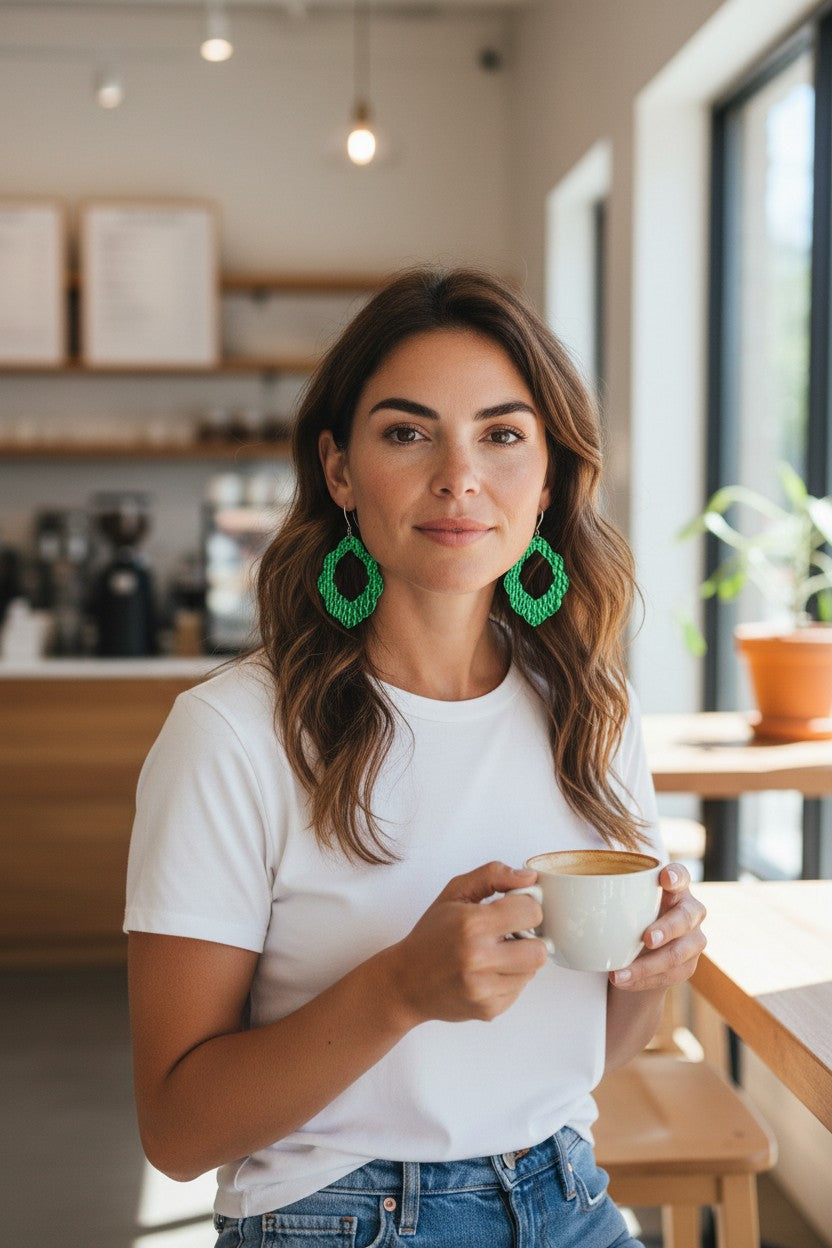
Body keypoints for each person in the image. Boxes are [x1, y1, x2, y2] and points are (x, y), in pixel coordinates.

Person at [125, 267, 707, 1248]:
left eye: (502, 434)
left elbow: (583, 1060)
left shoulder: (593, 711)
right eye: (406, 433)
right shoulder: (232, 735)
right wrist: (395, 992)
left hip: (568, 1196)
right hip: (334, 1220)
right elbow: (178, 1133)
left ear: (552, 474)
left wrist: (646, 972)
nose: (459, 476)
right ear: (340, 470)